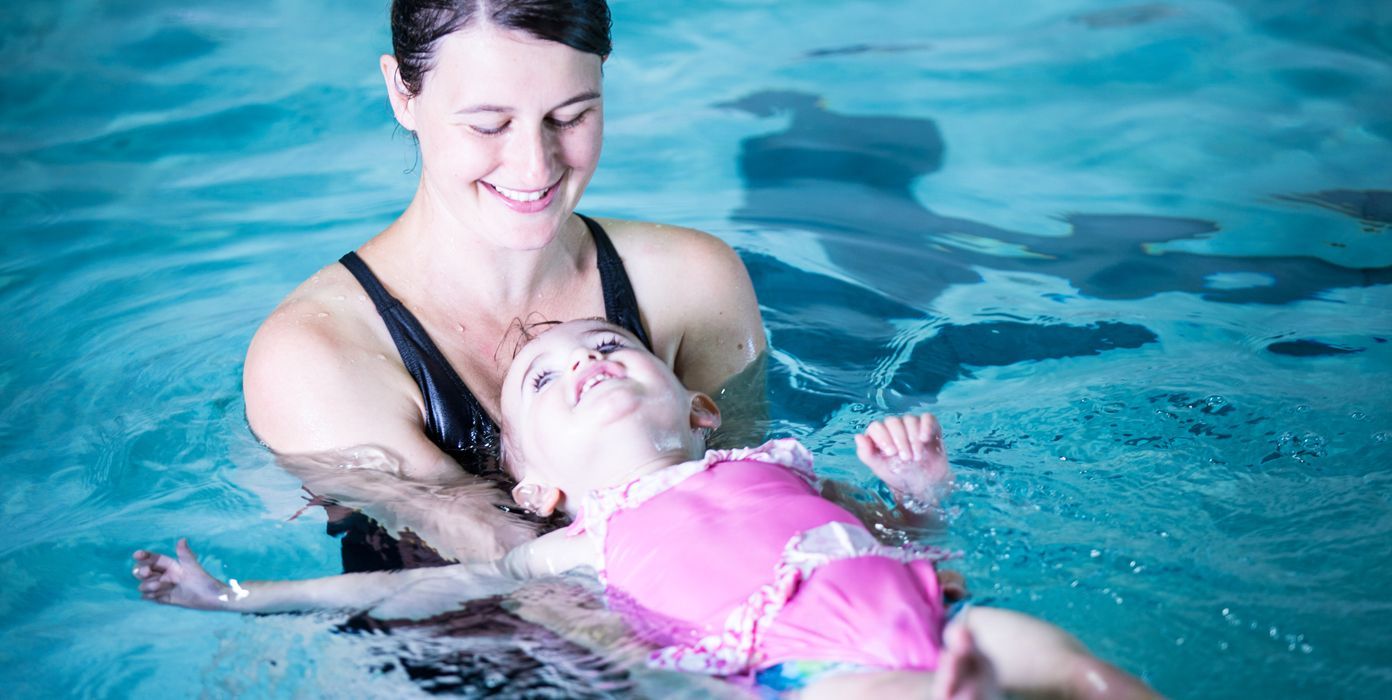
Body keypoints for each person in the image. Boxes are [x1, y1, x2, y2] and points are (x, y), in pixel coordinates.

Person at [136, 320, 1158, 699]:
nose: (586, 360)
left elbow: (912, 539)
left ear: (699, 409)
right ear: (536, 488)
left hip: (931, 620)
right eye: (545, 378)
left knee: (1074, 667)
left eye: (611, 347)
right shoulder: (573, 546)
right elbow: (419, 584)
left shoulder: (786, 464)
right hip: (807, 675)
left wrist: (921, 485)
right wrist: (238, 594)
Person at [241, 0, 766, 567]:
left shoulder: (692, 284)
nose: (534, 168)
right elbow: (519, 581)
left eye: (570, 116)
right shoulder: (315, 358)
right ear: (402, 93)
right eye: (488, 125)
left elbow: (761, 500)